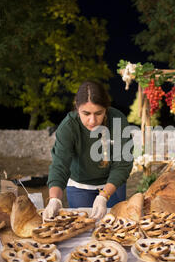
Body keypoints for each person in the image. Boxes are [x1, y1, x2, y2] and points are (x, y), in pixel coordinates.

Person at [43, 80, 134, 221]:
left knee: (114, 227)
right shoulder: (69, 126)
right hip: (80, 186)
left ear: (106, 109)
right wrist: (54, 199)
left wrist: (104, 196)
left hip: (112, 185)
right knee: (82, 228)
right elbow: (59, 165)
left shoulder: (118, 120)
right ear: (77, 108)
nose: (92, 121)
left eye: (99, 113)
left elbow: (122, 163)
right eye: (86, 114)